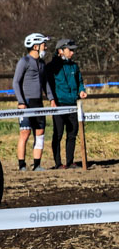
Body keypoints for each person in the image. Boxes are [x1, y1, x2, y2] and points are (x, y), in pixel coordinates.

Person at [13, 32, 54, 171]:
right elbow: (16, 82)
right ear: (36, 46)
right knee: (25, 133)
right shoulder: (24, 62)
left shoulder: (42, 63)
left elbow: (45, 83)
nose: (46, 48)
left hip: (38, 103)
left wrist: (51, 98)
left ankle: (37, 164)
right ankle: (22, 164)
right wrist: (21, 101)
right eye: (44, 45)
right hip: (26, 102)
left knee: (40, 132)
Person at [46, 38, 87, 169]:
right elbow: (48, 85)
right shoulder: (52, 67)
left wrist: (81, 91)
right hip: (58, 105)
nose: (72, 53)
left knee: (72, 132)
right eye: (70, 50)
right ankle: (58, 163)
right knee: (58, 133)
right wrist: (52, 99)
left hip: (72, 104)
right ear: (60, 51)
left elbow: (80, 81)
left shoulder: (74, 66)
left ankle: (70, 161)